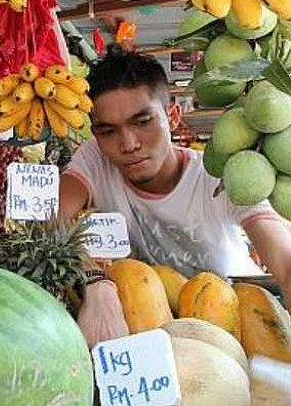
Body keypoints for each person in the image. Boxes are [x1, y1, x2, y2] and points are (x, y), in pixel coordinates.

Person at [58, 46, 291, 309]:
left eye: (143, 122)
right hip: (148, 321)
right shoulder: (96, 159)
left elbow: (285, 262)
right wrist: (96, 282)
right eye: (108, 131)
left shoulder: (220, 175)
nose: (128, 144)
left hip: (238, 317)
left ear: (173, 116)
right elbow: (50, 224)